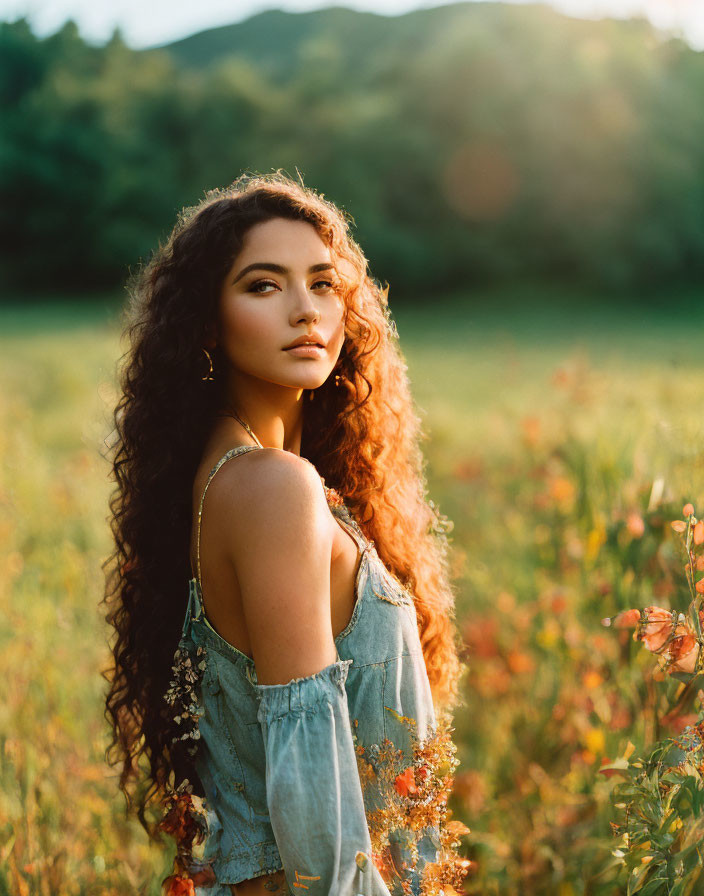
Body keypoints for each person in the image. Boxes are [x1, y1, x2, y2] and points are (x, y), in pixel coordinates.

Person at [103, 170, 471, 896]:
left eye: (324, 284)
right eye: (264, 286)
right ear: (208, 322)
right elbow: (317, 814)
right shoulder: (273, 487)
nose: (305, 310)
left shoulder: (233, 477)